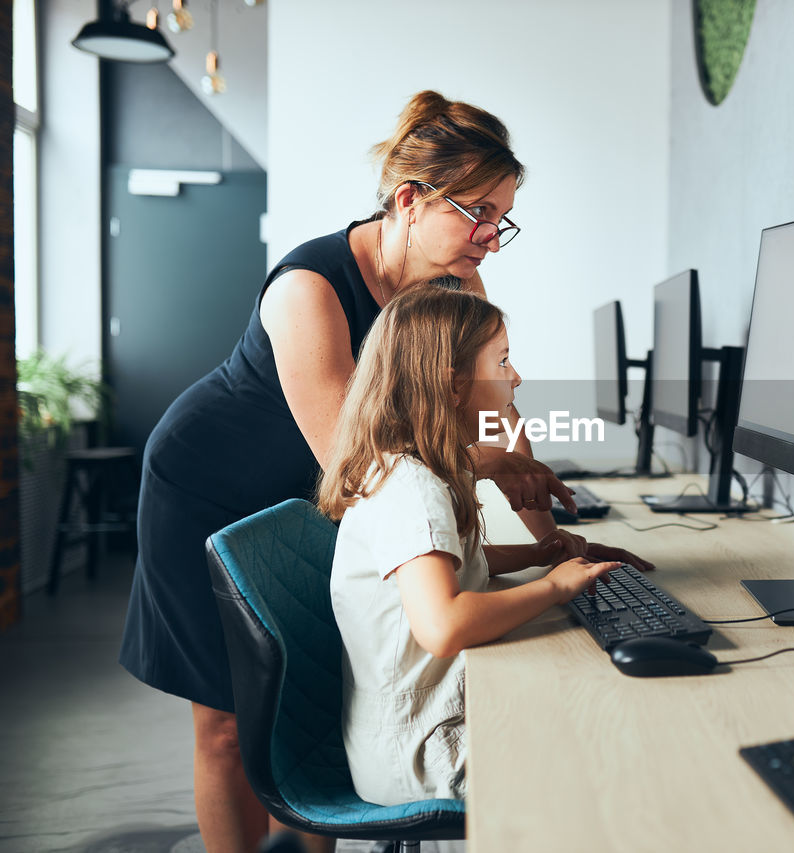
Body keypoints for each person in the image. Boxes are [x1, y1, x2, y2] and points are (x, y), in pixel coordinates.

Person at [119, 91, 649, 853]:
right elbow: (361, 467)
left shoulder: (456, 282)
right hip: (212, 481)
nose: (491, 238)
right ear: (409, 199)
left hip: (314, 493)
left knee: (322, 690)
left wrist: (552, 533)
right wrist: (494, 469)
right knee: (230, 726)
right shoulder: (310, 289)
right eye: (478, 213)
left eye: (503, 218)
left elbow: (495, 405)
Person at [319, 286, 623, 805]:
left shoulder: (419, 468)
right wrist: (554, 587)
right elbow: (444, 624)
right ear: (453, 385)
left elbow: (454, 567)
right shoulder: (410, 488)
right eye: (502, 362)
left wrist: (540, 554)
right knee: (606, 746)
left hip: (426, 722)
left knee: (595, 710)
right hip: (426, 747)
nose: (517, 377)